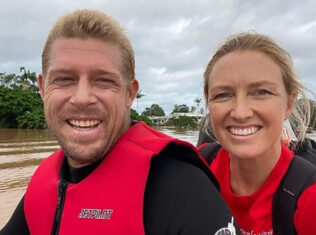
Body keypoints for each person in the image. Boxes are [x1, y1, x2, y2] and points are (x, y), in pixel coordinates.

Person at [0, 9, 241, 235]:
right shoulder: (44, 181)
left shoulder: (181, 187)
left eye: (103, 81)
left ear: (129, 93)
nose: (82, 98)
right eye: (64, 79)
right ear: (42, 89)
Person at [200, 32, 316, 235]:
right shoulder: (194, 169)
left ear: (289, 103)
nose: (240, 113)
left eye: (261, 92)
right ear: (208, 103)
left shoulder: (315, 199)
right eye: (223, 95)